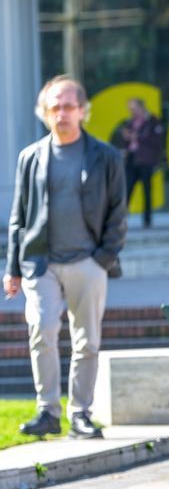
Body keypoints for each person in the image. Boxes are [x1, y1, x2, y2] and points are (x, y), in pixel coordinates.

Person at [5, 76, 127, 440]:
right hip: (41, 264)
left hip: (88, 262)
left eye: (68, 106)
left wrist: (102, 258)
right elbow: (19, 217)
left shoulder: (106, 156)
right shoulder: (31, 157)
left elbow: (118, 214)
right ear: (45, 112)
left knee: (86, 340)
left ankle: (81, 414)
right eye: (55, 107)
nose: (62, 113)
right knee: (41, 328)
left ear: (82, 111)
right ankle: (47, 411)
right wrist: (12, 268)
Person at [111, 98, 165, 228]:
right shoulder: (130, 122)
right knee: (127, 189)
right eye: (130, 109)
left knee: (147, 191)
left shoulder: (152, 121)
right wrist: (126, 137)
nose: (132, 112)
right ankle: (122, 219)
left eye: (134, 109)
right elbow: (125, 141)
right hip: (132, 159)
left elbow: (156, 142)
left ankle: (147, 220)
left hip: (146, 160)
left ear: (142, 107)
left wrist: (137, 137)